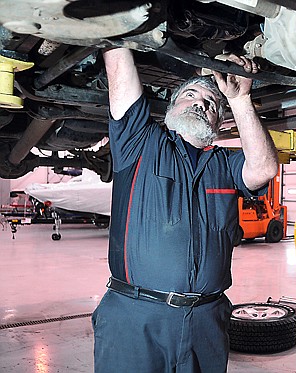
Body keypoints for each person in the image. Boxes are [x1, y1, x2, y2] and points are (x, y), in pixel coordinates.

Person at [92, 47, 278, 372]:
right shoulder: (139, 143)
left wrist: (238, 99)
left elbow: (264, 169)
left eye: (211, 104)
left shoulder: (225, 164)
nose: (200, 104)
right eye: (190, 94)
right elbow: (119, 64)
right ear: (170, 108)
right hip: (136, 318)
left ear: (219, 122)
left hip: (206, 321)